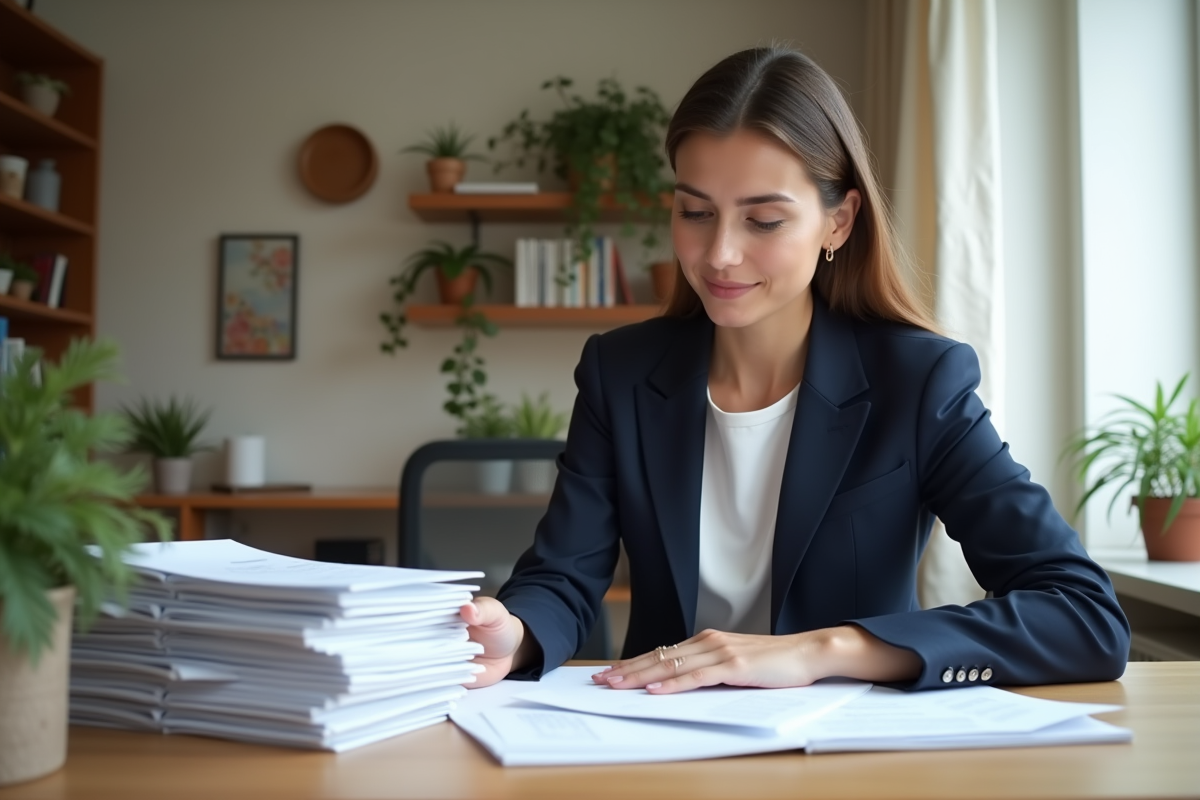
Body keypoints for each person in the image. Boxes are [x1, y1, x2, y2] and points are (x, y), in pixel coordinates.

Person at [460, 46, 1130, 694]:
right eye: (696, 212)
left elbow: (1084, 615)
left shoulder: (918, 381)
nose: (720, 253)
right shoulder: (621, 373)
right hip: (666, 736)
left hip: (850, 743)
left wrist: (820, 651)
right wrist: (516, 633)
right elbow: (564, 577)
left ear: (838, 222)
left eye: (764, 220)